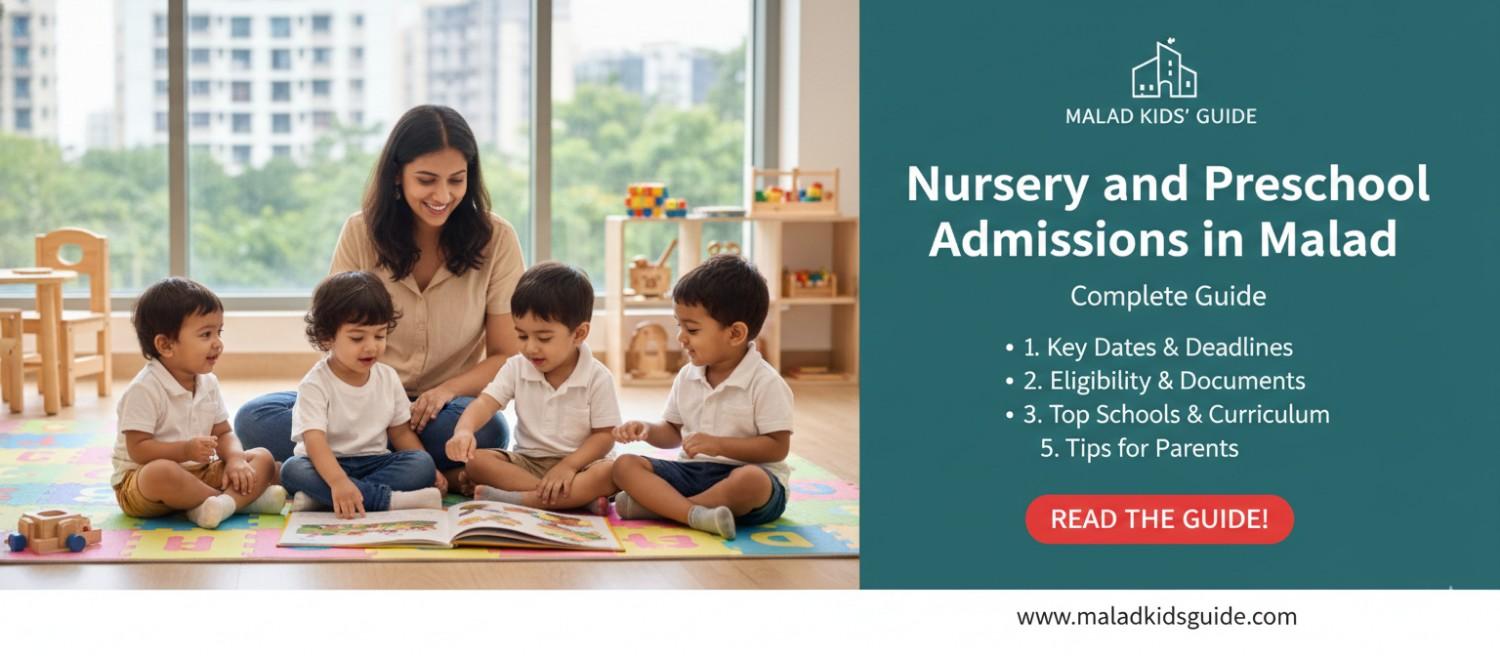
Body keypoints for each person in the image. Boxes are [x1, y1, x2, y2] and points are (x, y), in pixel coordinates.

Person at [236, 105, 521, 489]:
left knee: (486, 431)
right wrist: (367, 411)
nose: (443, 194)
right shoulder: (360, 232)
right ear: (397, 177)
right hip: (358, 398)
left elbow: (507, 355)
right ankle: (413, 469)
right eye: (426, 180)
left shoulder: (497, 238)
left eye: (456, 180)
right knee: (254, 419)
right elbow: (335, 332)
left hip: (438, 411)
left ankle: (349, 462)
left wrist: (446, 391)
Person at [611, 255, 794, 540]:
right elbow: (672, 433)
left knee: (752, 481)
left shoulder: (766, 382)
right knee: (624, 465)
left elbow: (776, 448)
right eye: (679, 326)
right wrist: (646, 430)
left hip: (746, 479)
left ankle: (672, 509)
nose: (681, 338)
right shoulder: (688, 375)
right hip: (692, 472)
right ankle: (696, 515)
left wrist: (720, 445)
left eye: (692, 329)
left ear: (735, 333)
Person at [445, 262, 620, 515]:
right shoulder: (517, 366)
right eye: (522, 336)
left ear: (579, 333)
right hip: (528, 462)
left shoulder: (597, 376)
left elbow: (605, 435)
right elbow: (485, 402)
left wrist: (569, 466)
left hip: (581, 465)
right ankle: (572, 500)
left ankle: (522, 499)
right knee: (476, 463)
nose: (530, 348)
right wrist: (464, 431)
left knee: (611, 471)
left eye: (544, 338)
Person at [114, 278, 285, 529]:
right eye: (206, 334)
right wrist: (184, 451)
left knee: (263, 458)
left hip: (201, 473)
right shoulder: (144, 388)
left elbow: (224, 432)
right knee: (162, 472)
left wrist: (236, 459)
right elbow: (138, 449)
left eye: (219, 332)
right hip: (142, 484)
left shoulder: (208, 382)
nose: (217, 342)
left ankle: (212, 506)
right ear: (166, 345)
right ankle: (237, 502)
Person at [279, 272, 443, 518]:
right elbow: (315, 442)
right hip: (327, 464)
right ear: (327, 338)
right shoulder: (315, 383)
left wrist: (432, 468)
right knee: (292, 470)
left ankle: (325, 499)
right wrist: (337, 481)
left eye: (380, 335)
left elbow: (400, 432)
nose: (371, 346)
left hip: (374, 462)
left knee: (421, 464)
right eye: (357, 338)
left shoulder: (387, 377)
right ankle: (387, 501)